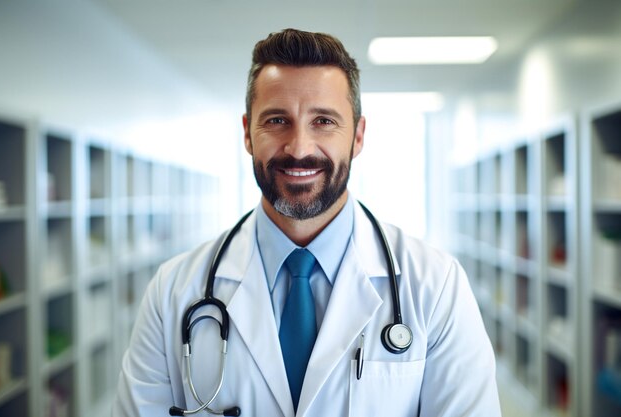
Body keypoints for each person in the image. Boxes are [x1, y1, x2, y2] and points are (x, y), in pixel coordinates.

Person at [112, 28, 501, 417]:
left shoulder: (435, 286)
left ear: (359, 135)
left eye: (324, 122)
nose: (299, 148)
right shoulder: (172, 292)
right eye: (278, 120)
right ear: (247, 133)